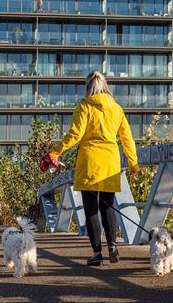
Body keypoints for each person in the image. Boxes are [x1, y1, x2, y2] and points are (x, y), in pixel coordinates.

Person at [46, 71, 139, 266]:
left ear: (88, 87)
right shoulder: (116, 108)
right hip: (110, 162)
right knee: (107, 206)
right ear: (105, 86)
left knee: (91, 210)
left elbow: (75, 135)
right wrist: (133, 162)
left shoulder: (84, 106)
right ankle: (112, 244)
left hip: (89, 161)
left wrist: (55, 152)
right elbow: (127, 138)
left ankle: (97, 253)